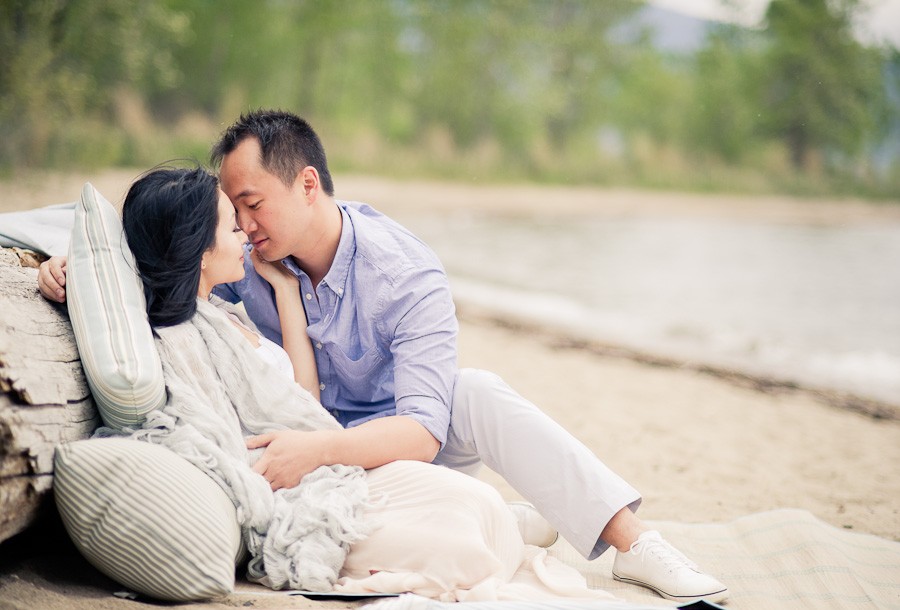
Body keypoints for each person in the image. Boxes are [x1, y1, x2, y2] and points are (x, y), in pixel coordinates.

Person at [39, 111, 728, 604]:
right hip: (296, 445)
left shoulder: (407, 275)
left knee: (477, 390)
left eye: (251, 204)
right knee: (466, 518)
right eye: (235, 212)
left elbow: (424, 429)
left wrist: (317, 450)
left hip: (391, 446)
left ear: (307, 185)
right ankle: (505, 518)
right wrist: (78, 267)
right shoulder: (246, 254)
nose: (243, 225)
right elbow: (159, 238)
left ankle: (635, 545)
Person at [104, 165, 617, 600]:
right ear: (196, 250)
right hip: (297, 481)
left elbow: (301, 403)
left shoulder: (225, 314)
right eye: (231, 224)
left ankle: (525, 524)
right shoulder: (184, 335)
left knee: (476, 502)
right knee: (464, 543)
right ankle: (492, 531)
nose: (245, 230)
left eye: (248, 211)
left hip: (327, 456)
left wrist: (285, 292)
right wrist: (55, 269)